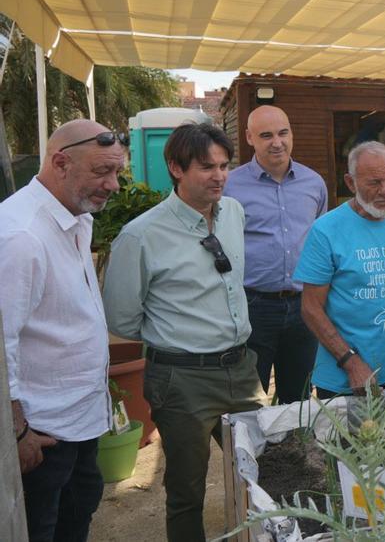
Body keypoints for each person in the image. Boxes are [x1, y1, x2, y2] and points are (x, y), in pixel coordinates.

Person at [104, 122, 262, 542]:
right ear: (175, 167)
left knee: (262, 473)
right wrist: (178, 334)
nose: (219, 176)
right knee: (188, 489)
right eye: (206, 167)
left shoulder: (234, 214)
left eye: (225, 166)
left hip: (241, 368)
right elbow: (121, 320)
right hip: (181, 379)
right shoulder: (140, 236)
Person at [1, 120, 125, 542]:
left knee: (76, 519)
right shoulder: (21, 235)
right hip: (42, 436)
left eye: (117, 173)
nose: (114, 185)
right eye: (102, 172)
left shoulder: (75, 213)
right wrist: (17, 433)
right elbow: (2, 347)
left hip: (79, 423)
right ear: (60, 163)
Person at [294, 141, 385, 398]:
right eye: (374, 183)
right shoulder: (326, 230)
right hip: (345, 379)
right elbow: (310, 307)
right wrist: (350, 362)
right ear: (351, 183)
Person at [225, 105, 327, 403]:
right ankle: (253, 452)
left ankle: (293, 449)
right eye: (266, 135)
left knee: (298, 397)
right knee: (249, 398)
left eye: (283, 133)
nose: (277, 142)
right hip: (253, 305)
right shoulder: (230, 186)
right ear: (249, 138)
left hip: (304, 306)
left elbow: (320, 240)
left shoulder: (314, 183)